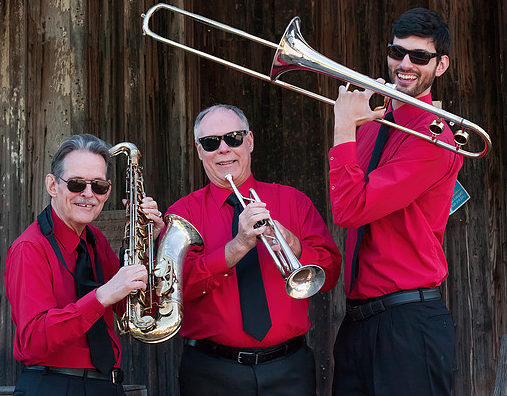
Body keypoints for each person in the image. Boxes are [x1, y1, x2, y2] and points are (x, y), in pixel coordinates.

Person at [328, 8, 463, 396]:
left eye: (419, 57)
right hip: (358, 320)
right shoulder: (372, 122)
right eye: (396, 52)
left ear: (441, 66)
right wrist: (354, 126)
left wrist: (342, 126)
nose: (404, 64)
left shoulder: (436, 140)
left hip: (408, 321)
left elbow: (350, 209)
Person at [164, 104, 341, 396]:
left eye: (233, 138)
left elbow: (330, 274)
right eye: (211, 142)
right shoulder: (183, 214)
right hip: (211, 371)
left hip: (289, 369)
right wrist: (238, 246)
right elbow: (175, 288)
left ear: (250, 141)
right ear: (199, 150)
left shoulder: (293, 201)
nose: (223, 149)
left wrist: (293, 245)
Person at [5, 134, 165, 396]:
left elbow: (133, 307)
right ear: (52, 185)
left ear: (108, 191)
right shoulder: (29, 248)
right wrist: (101, 295)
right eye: (77, 184)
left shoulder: (95, 241)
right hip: (53, 386)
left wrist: (147, 245)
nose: (88, 194)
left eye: (99, 186)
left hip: (105, 385)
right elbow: (33, 341)